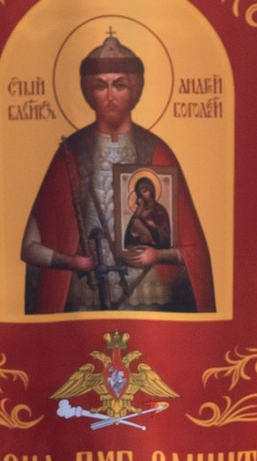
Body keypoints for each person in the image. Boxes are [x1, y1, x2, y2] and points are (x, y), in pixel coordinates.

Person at [20, 31, 216, 314]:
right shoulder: (70, 154)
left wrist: (157, 254)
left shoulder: (157, 151)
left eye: (119, 85)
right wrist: (71, 262)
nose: (110, 95)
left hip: (149, 295)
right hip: (84, 298)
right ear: (89, 92)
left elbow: (191, 246)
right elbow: (29, 246)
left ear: (135, 90)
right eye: (101, 85)